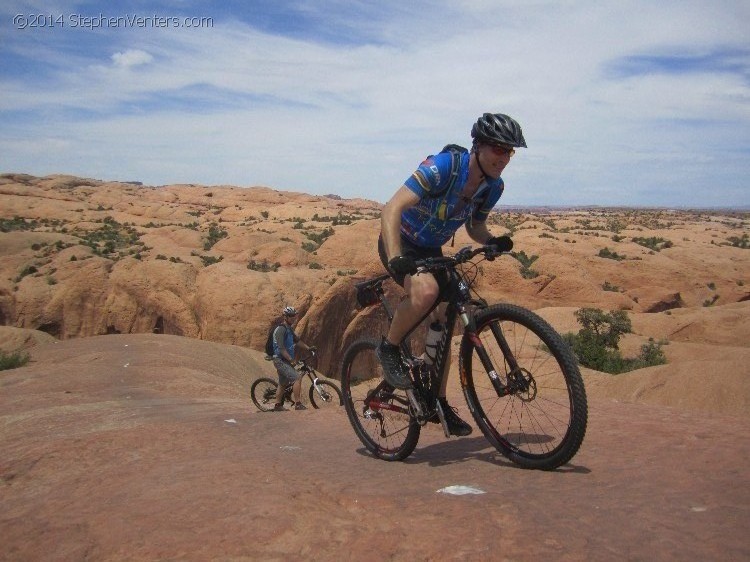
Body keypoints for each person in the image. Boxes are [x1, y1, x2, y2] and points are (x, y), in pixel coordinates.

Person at [376, 112, 525, 436]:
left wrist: (492, 241)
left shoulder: (492, 187)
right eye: (500, 149)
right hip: (399, 241)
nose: (505, 158)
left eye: (510, 152)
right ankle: (389, 348)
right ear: (480, 146)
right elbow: (391, 208)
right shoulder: (445, 167)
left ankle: (438, 399)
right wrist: (398, 256)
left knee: (448, 313)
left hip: (430, 249)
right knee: (427, 293)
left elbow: (474, 226)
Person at [270, 306, 316, 411]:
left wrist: (308, 348)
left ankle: (277, 405)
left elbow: (297, 341)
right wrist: (291, 359)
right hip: (280, 360)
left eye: (294, 316)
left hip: (284, 360)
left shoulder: (289, 329)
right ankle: (298, 404)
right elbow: (281, 348)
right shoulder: (281, 329)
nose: (293, 318)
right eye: (290, 316)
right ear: (285, 317)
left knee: (282, 383)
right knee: (297, 378)